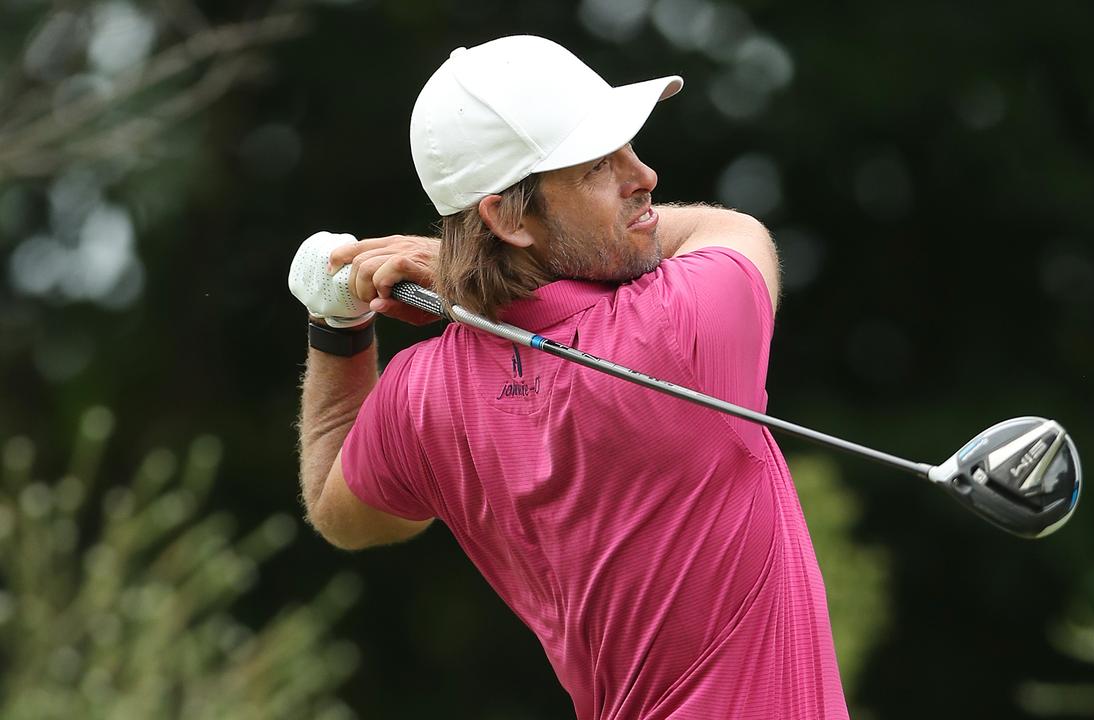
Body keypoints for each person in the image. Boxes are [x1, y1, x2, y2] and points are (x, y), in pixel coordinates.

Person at [294, 35, 849, 719]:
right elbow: (730, 227)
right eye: (597, 167)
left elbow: (336, 509)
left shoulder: (420, 395)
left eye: (629, 149)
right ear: (507, 216)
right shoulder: (686, 322)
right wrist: (456, 267)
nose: (642, 175)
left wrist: (338, 324)